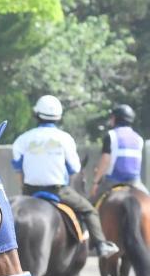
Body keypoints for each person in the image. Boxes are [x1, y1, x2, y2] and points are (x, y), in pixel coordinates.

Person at [12, 94, 117, 258]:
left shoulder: (22, 139)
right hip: (58, 191)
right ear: (58, 117)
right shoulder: (65, 138)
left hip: (29, 191)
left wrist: (24, 190)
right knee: (89, 211)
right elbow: (74, 168)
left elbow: (18, 169)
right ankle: (101, 245)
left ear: (36, 115)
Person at [90, 103, 147, 201]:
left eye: (112, 117)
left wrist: (96, 181)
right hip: (135, 182)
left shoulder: (111, 135)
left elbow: (105, 160)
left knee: (91, 206)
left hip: (113, 180)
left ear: (116, 119)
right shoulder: (139, 138)